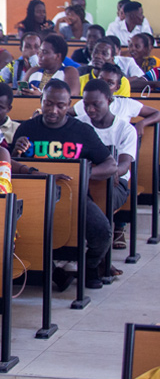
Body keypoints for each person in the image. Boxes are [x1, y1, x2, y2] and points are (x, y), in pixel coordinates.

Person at [12, 80, 119, 289]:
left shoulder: (82, 131)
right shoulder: (27, 128)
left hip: (74, 197)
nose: (53, 110)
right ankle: (52, 272)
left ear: (68, 104)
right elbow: (11, 163)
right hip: (34, 197)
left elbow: (111, 165)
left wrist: (84, 174)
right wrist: (15, 151)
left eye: (60, 105)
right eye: (48, 103)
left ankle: (88, 267)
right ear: (41, 101)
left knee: (103, 231)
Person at [75, 79, 138, 251]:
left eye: (96, 104)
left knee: (101, 197)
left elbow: (124, 164)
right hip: (82, 180)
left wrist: (112, 171)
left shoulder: (125, 129)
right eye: (86, 104)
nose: (90, 110)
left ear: (109, 101)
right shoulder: (78, 124)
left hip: (117, 184)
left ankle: (99, 253)